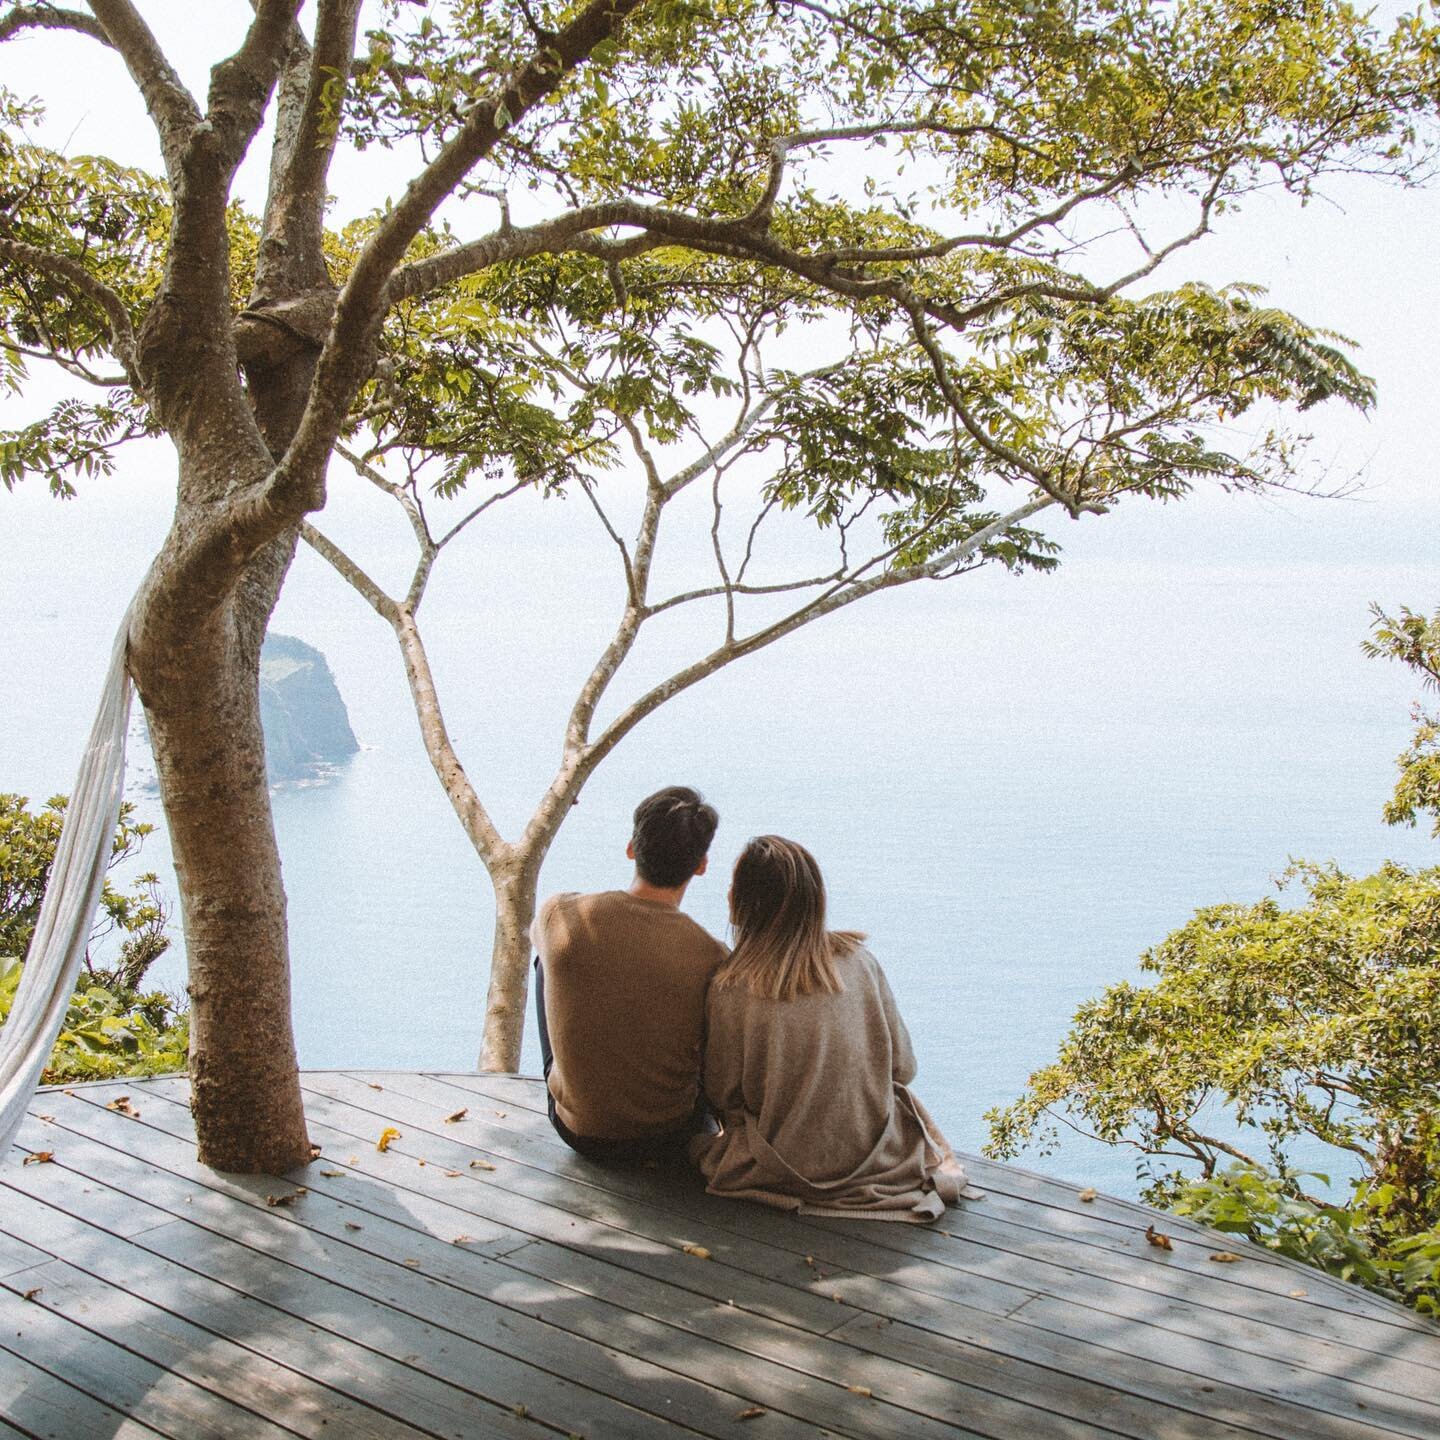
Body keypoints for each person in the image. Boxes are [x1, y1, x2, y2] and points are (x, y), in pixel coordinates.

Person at [692, 834, 971, 1220]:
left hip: (782, 1164)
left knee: (693, 1143)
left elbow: (723, 1091)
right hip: (876, 1157)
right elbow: (904, 1069)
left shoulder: (732, 986)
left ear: (741, 902)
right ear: (815, 899)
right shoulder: (860, 962)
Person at [532, 785, 726, 1163]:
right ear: (701, 865)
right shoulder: (712, 956)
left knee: (547, 959)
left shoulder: (562, 915)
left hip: (579, 1131)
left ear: (632, 848)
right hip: (672, 1137)